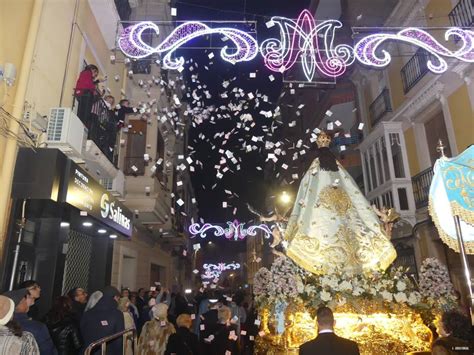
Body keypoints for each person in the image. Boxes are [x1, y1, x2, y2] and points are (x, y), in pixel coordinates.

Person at [284, 131, 396, 274]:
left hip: (323, 217)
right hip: (343, 215)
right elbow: (354, 191)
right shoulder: (339, 170)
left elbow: (305, 192)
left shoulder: (314, 169)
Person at [4, 288, 58, 355]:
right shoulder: (37, 328)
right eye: (24, 299)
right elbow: (48, 352)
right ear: (20, 304)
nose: (27, 302)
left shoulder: (3, 324)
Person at [80, 286, 124, 355]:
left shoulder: (88, 313)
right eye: (118, 299)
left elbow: (82, 332)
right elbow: (119, 340)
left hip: (89, 351)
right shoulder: (116, 314)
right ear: (115, 297)